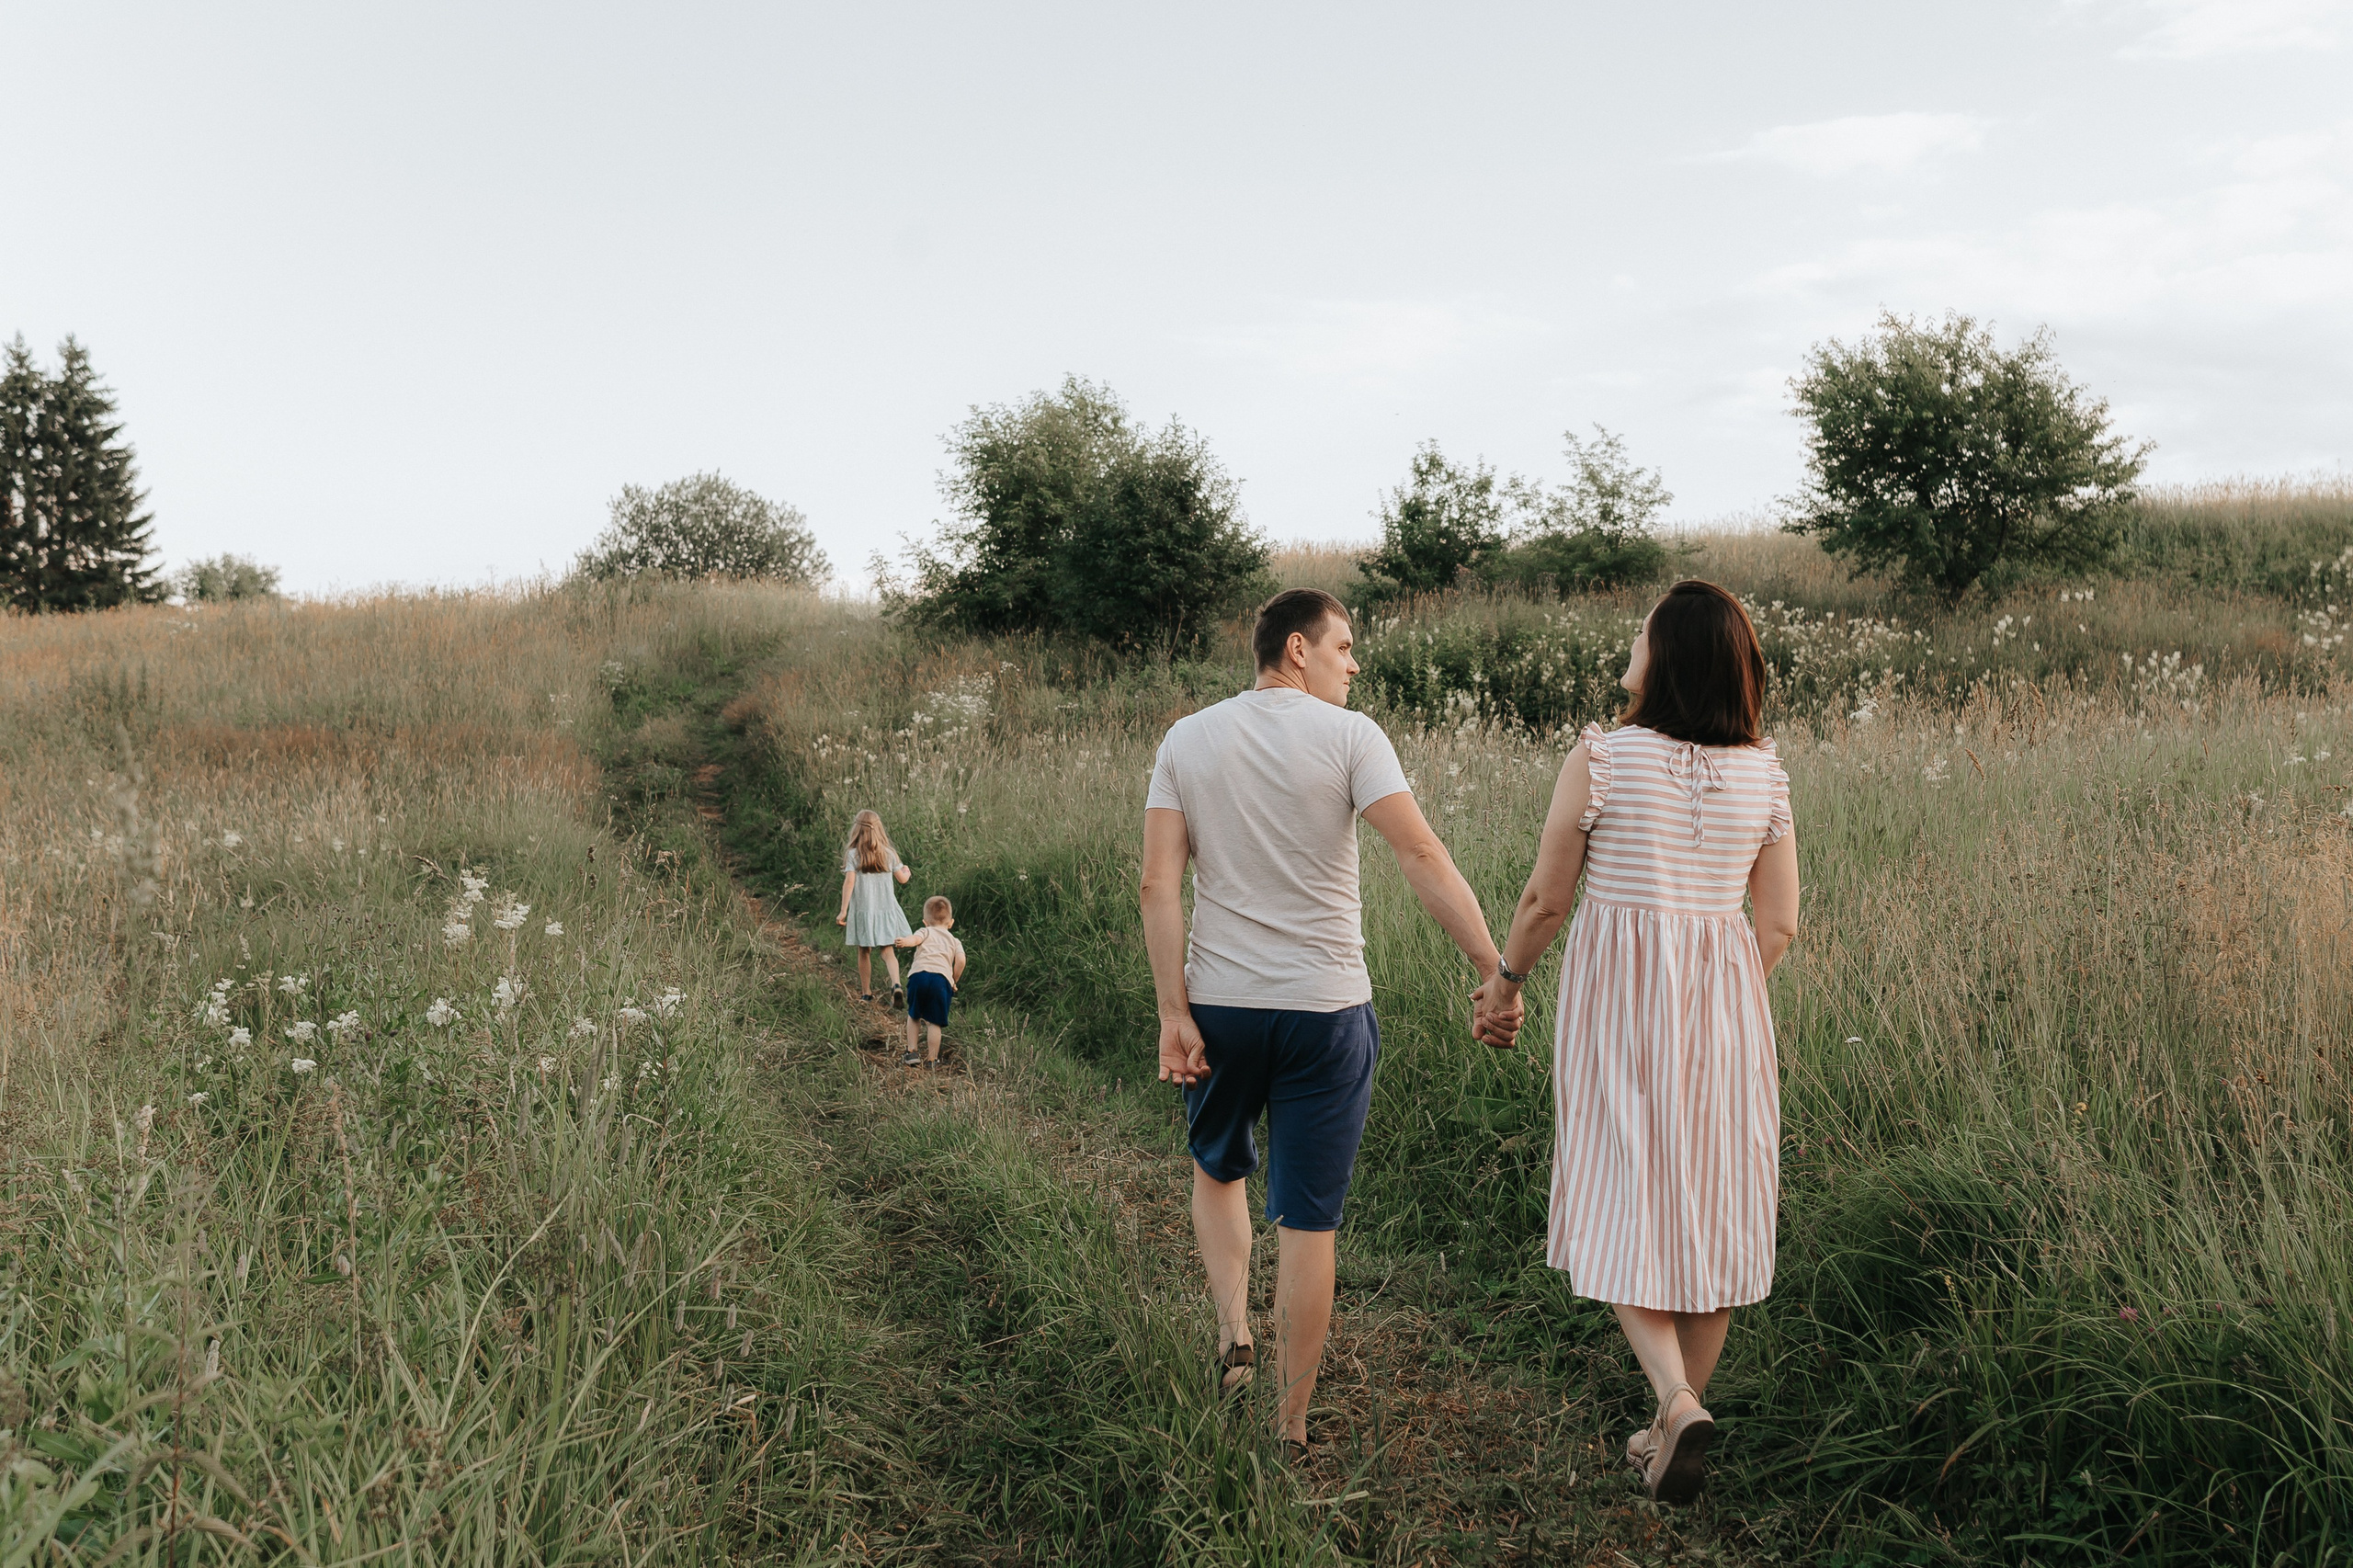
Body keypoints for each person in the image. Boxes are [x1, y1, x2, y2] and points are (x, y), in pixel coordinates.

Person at [1142, 586, 1516, 1458]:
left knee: (1218, 1165)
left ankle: (1233, 1330)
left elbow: (1159, 883)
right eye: (1343, 647)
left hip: (1223, 1006)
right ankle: (1290, 1425)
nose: (1354, 664)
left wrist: (1173, 1012)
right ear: (1297, 649)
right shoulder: (1352, 737)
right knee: (1309, 1221)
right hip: (1326, 1009)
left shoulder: (1187, 739)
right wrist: (1492, 969)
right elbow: (1419, 852)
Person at [1472, 579, 1800, 1506]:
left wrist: (1505, 981)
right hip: (1727, 1014)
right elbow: (1779, 922)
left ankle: (1674, 1398)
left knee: (1622, 1189)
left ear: (1670, 655)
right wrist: (1718, 996)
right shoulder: (1765, 773)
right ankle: (1668, 1432)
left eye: (1643, 631)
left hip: (1618, 1006)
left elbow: (1546, 899)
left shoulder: (1604, 757)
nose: (1632, 642)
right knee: (1715, 1203)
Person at [835, 810, 914, 1005]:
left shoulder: (853, 855)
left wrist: (843, 910)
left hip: (864, 911)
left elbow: (849, 883)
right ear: (879, 829)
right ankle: (896, 984)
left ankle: (866, 993)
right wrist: (907, 871)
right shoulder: (889, 854)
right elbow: (903, 879)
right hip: (886, 910)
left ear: (857, 830)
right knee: (888, 951)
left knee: (864, 951)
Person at [892, 894, 966, 1067]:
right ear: (951, 923)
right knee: (934, 1022)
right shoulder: (955, 941)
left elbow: (915, 940)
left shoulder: (925, 931)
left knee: (914, 1015)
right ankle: (932, 1060)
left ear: (925, 922)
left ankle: (912, 1052)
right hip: (941, 980)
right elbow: (961, 961)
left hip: (919, 976)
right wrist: (953, 980)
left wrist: (905, 942)